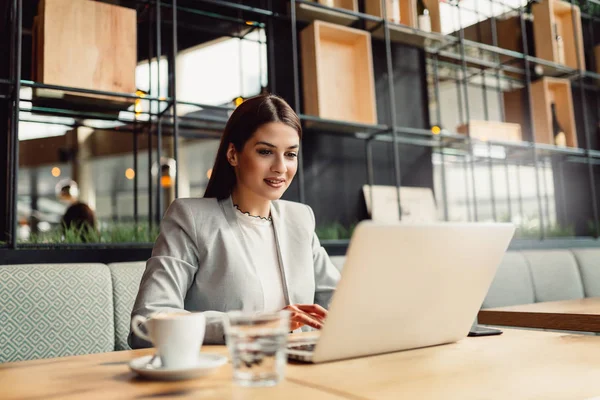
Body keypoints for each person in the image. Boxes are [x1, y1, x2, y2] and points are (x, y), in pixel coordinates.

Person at [129, 94, 341, 347]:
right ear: (233, 154)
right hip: (224, 375)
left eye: (290, 154)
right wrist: (256, 325)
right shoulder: (190, 218)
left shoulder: (300, 219)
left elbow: (341, 305)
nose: (281, 167)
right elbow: (147, 321)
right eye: (265, 152)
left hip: (296, 372)